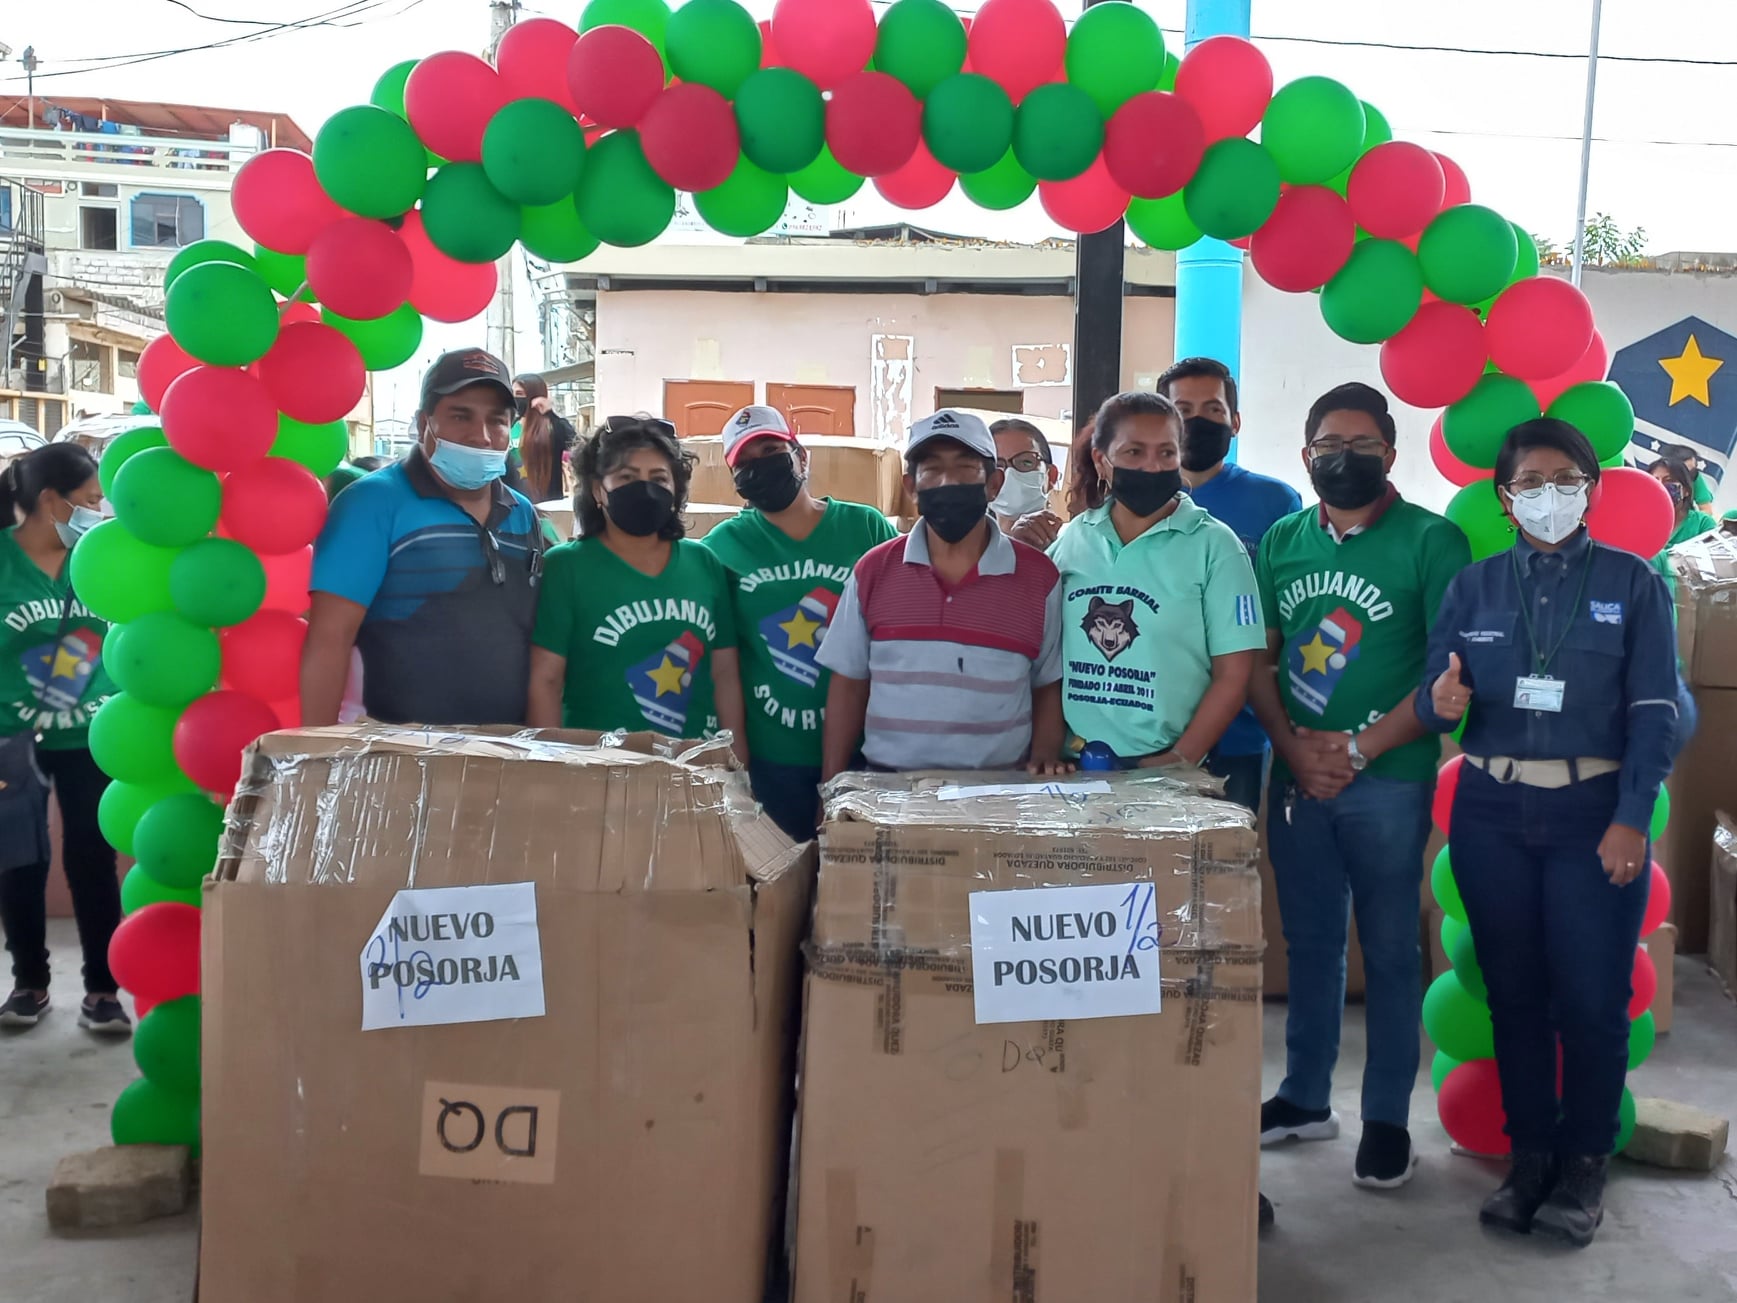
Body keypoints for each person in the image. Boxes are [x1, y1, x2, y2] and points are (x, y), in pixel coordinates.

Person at [1418, 418, 1680, 1246]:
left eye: (1564, 478)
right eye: (1529, 482)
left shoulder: (1633, 584)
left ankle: (1582, 1166)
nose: (1548, 494)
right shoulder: (1473, 587)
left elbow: (1655, 711)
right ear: (1504, 499)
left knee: (1592, 1001)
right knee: (1514, 996)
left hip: (1591, 814)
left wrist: (1630, 817)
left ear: (1591, 488)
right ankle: (1529, 1158)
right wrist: (1439, 702)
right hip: (1490, 813)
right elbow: (1433, 692)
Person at [1249, 381, 1471, 1189]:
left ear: (1390, 453)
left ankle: (1385, 1120)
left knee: (1388, 949)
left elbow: (1448, 678)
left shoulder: (1432, 541)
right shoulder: (1279, 541)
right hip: (1295, 775)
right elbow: (1259, 658)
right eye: (1329, 446)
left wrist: (1356, 748)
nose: (1344, 459)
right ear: (1305, 455)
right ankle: (1305, 1096)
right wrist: (1292, 747)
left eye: (1362, 446)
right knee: (1308, 943)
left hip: (1390, 778)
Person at [817, 409, 1067, 777]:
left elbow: (1047, 683)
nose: (948, 481)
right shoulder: (874, 570)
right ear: (911, 487)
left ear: (993, 484)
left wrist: (1044, 758)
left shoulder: (1039, 576)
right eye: (932, 470)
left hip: (997, 791)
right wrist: (831, 784)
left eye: (966, 468)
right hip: (890, 789)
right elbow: (849, 686)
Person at [302, 348, 543, 727]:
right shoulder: (371, 503)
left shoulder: (521, 512)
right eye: (461, 416)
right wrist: (317, 749)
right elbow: (329, 639)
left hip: (504, 749)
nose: (481, 436)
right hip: (392, 749)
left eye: (497, 421)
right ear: (423, 422)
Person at [700, 406, 895, 840]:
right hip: (771, 761)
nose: (760, 466)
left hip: (863, 754)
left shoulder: (865, 527)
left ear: (801, 456)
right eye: (745, 463)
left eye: (771, 451)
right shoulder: (720, 546)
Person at [1048, 391, 1265, 770]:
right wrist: (1048, 749)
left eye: (1166, 453)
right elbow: (1046, 661)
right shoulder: (1073, 540)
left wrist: (1179, 759)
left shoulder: (1215, 546)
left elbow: (1234, 674)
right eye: (1134, 452)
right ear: (1101, 460)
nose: (1151, 466)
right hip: (1074, 766)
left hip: (1168, 769)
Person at [0, 444, 128, 1034]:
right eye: (91, 499)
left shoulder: (101, 558)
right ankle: (29, 983)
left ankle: (103, 990)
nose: (99, 511)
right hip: (12, 738)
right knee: (18, 862)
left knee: (93, 859)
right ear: (51, 500)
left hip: (89, 735)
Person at [527, 415, 747, 756]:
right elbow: (546, 680)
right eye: (626, 477)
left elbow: (725, 675)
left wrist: (736, 760)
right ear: (598, 489)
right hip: (599, 766)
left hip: (695, 764)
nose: (645, 489)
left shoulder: (704, 562)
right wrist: (550, 766)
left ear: (676, 490)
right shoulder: (567, 567)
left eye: (659, 478)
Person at [1158, 356, 1303, 811]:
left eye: (1213, 409)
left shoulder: (1275, 501)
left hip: (1241, 729)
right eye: (1182, 410)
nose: (1197, 421)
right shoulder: (1136, 499)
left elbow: (1287, 609)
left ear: (1235, 422)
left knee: (1229, 851)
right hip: (1152, 721)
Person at [988, 417, 1063, 548]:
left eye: (1026, 462)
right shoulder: (967, 547)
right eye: (997, 465)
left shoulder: (1072, 544)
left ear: (1051, 476)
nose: (1009, 474)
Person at [1647, 456, 1718, 580]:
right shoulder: (1639, 519)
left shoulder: (1702, 523)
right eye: (1655, 480)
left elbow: (1713, 567)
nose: (1660, 486)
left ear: (1686, 490)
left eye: (1669, 481)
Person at [512, 373, 577, 504]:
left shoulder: (553, 426)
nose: (514, 398)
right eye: (512, 393)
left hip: (544, 504)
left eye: (519, 394)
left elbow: (577, 444)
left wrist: (550, 414)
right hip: (513, 502)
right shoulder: (510, 425)